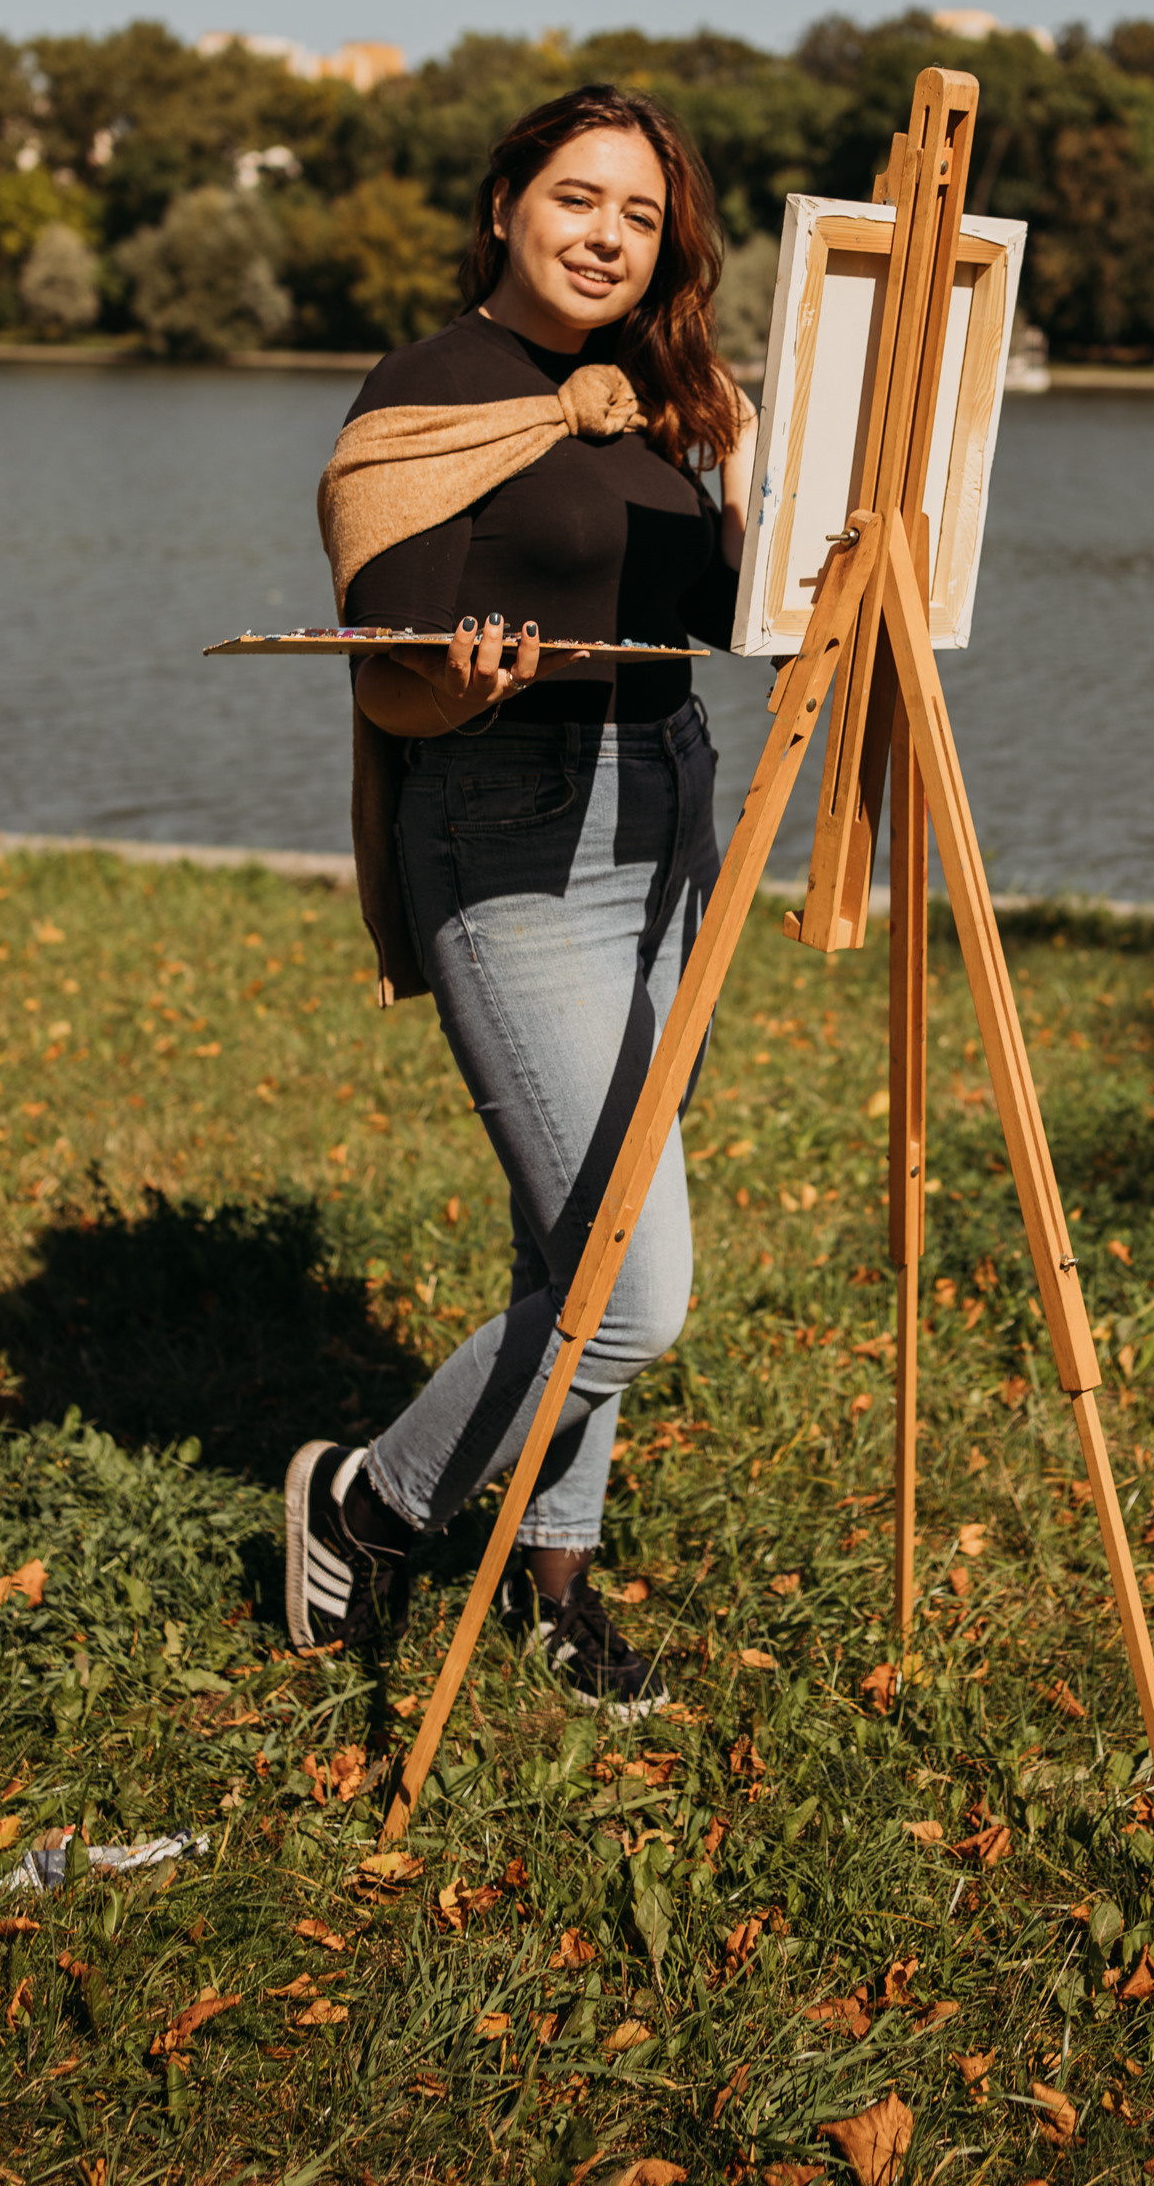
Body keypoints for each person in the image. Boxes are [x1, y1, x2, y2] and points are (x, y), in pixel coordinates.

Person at [286, 85, 757, 1716]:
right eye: (578, 199)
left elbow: (724, 610)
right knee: (630, 1284)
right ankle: (373, 1501)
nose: (607, 237)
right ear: (505, 204)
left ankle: (556, 1583)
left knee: (569, 1245)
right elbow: (388, 660)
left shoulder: (654, 401)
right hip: (506, 834)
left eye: (640, 217)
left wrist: (785, 493)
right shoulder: (427, 391)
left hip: (664, 818)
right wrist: (459, 682)